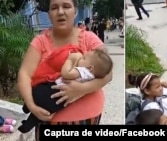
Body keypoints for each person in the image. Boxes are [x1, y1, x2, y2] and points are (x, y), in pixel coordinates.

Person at [17, 0, 112, 140]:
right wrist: (31, 106)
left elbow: (108, 74)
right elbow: (24, 74)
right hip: (49, 122)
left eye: (66, 6)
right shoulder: (40, 42)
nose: (60, 12)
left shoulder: (89, 38)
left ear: (75, 12)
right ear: (49, 14)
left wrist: (81, 89)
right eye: (54, 7)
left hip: (88, 119)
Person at [18, 49, 113, 133]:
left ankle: (26, 109)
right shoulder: (91, 75)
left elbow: (66, 74)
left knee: (38, 93)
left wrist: (70, 60)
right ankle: (26, 125)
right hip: (60, 101)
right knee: (42, 110)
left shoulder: (83, 71)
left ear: (91, 68)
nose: (80, 58)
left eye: (83, 58)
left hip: (56, 92)